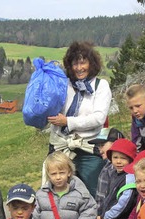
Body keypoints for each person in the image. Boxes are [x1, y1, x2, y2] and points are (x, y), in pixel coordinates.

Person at [48, 41, 112, 197]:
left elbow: (98, 118)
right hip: (61, 147)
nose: (79, 68)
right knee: (59, 192)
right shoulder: (65, 85)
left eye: (83, 62)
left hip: (89, 151)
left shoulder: (100, 86)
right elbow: (52, 109)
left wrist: (68, 122)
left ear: (91, 63)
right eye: (75, 63)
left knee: (92, 193)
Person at [34, 151, 97, 219]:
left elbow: (89, 212)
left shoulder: (80, 193)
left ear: (69, 172)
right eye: (53, 174)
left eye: (61, 173)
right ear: (48, 175)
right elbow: (35, 218)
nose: (58, 177)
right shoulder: (41, 195)